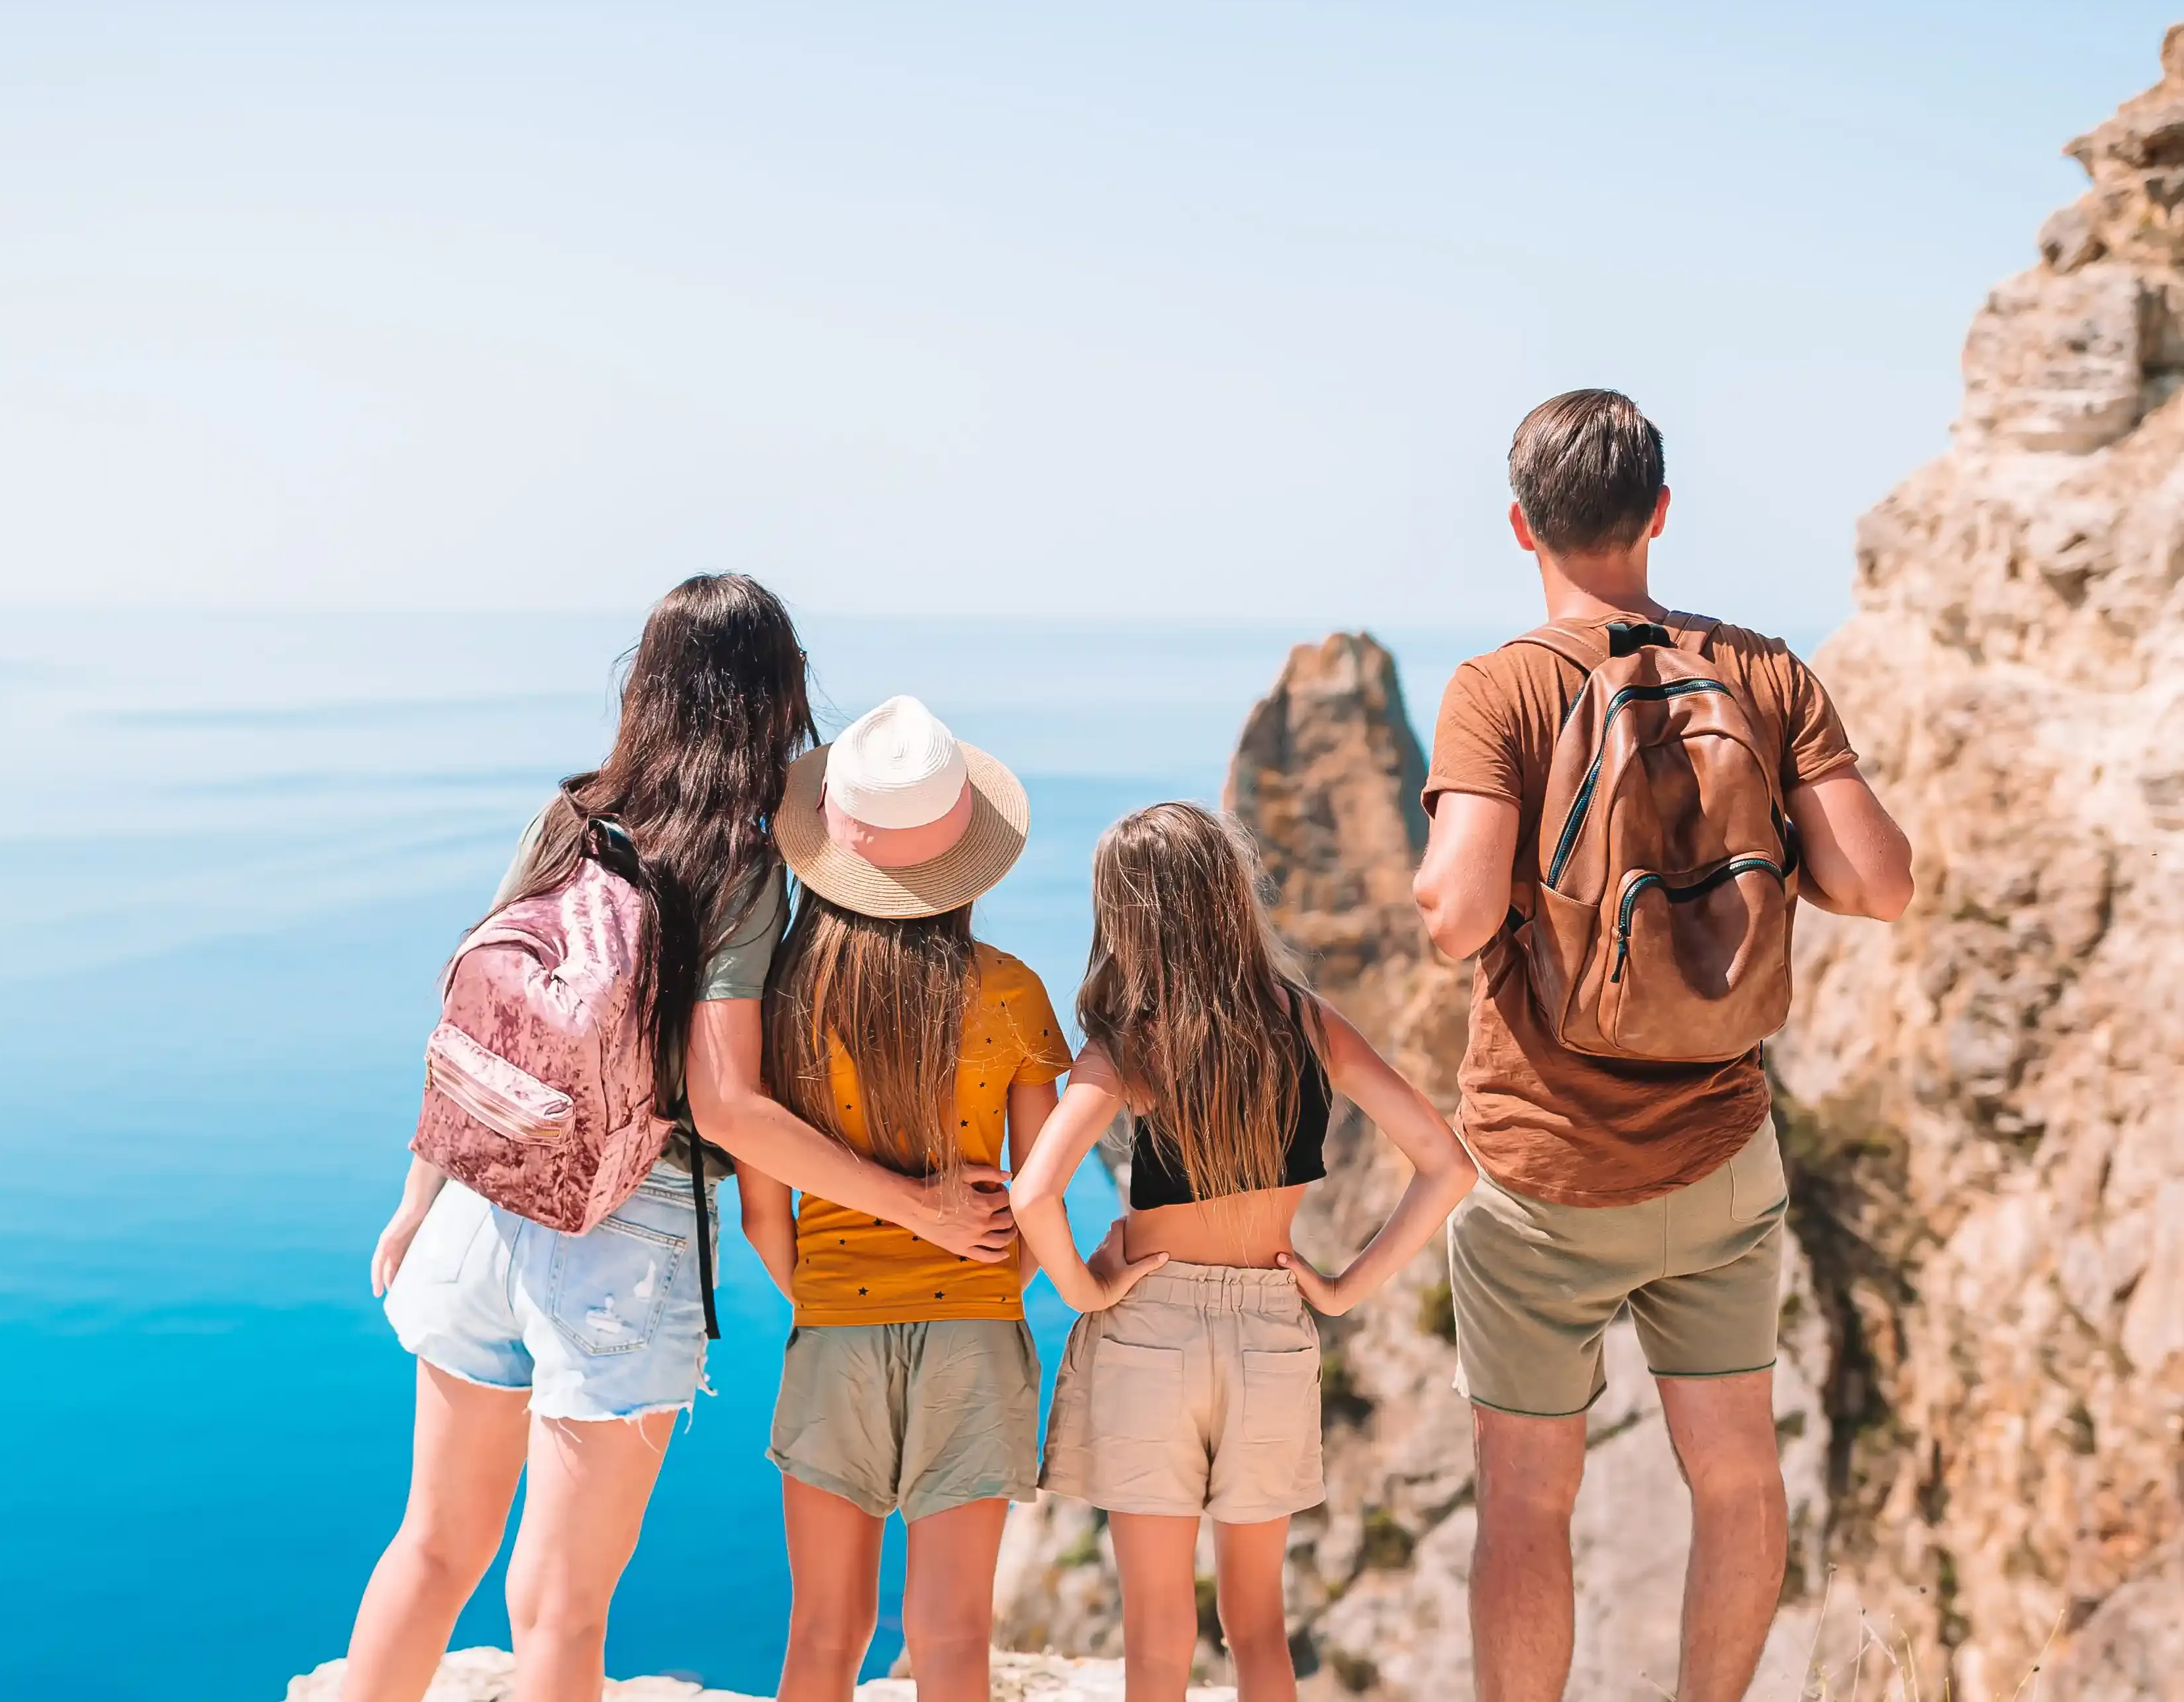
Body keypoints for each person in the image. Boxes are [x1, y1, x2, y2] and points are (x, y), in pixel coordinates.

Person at [343, 579, 1024, 1702]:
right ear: (776, 701)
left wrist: (417, 1203)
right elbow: (725, 1104)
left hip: (482, 1201)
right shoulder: (739, 866)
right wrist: (921, 1207)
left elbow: (481, 1027)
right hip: (623, 1235)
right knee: (559, 1603)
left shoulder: (568, 816)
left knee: (430, 1547)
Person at [1412, 390, 1914, 1702]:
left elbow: (1453, 909)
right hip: (1719, 1156)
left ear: (1519, 524)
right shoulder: (1759, 671)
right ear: (1660, 515)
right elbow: (1878, 881)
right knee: (1738, 1473)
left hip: (1542, 1169)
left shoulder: (1503, 688)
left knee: (1526, 1498)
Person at [1011, 801, 1473, 1702]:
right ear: (1228, 895)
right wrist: (1341, 1291)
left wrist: (1087, 1289)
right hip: (1269, 1329)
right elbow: (1445, 1165)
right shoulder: (1309, 1025)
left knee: (1155, 1629)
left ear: (1126, 917)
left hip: (1149, 1331)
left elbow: (1033, 1191)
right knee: (1256, 1625)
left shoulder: (1129, 1043)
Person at [735, 696, 1072, 1702]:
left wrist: (828, 1288)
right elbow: (1042, 1193)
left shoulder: (781, 995)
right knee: (953, 1637)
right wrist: (998, 1276)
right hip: (973, 1327)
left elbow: (762, 1213)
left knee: (823, 1635)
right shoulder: (1010, 991)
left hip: (834, 1324)